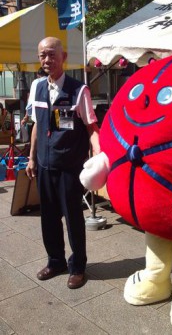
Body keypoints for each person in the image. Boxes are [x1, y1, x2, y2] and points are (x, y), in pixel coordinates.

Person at [26, 37, 100, 289]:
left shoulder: (79, 91)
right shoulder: (36, 87)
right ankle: (55, 261)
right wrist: (31, 157)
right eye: (42, 55)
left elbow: (92, 128)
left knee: (73, 219)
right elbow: (36, 125)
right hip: (45, 166)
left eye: (51, 54)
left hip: (70, 167)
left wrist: (98, 159)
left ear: (64, 56)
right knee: (48, 218)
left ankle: (78, 266)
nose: (47, 60)